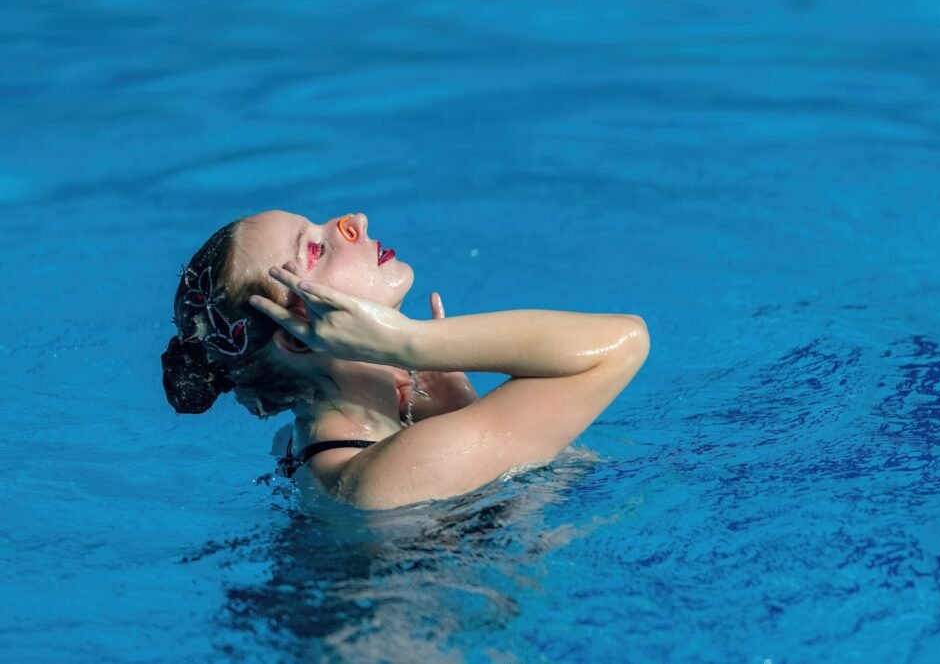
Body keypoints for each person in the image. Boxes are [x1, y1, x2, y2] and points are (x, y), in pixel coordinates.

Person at [161, 210, 650, 510]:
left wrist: (461, 415)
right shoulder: (385, 475)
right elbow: (624, 342)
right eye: (316, 249)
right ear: (301, 340)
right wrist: (411, 341)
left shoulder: (299, 444)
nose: (353, 221)